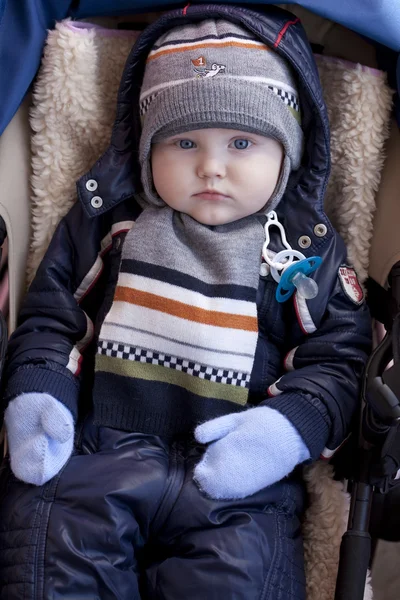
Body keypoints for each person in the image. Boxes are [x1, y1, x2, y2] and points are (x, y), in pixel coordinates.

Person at [0, 6, 371, 600]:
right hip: (100, 451)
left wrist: (284, 432)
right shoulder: (112, 222)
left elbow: (338, 358)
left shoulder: (304, 250)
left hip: (235, 474)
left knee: (242, 576)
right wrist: (42, 389)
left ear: (288, 150)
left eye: (243, 142)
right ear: (147, 149)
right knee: (50, 547)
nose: (211, 168)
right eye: (184, 141)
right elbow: (56, 315)